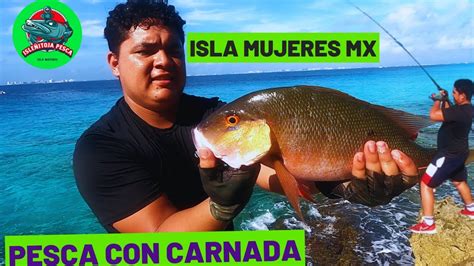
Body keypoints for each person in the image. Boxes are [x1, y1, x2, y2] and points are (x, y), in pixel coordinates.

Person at [73, 0, 420, 233]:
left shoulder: (212, 115)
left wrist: (347, 187)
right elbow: (159, 236)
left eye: (173, 50)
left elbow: (274, 169)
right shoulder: (100, 149)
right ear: (114, 63)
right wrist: (221, 208)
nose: (163, 61)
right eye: (145, 51)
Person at [410, 79, 474, 234]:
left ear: (462, 95)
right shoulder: (467, 109)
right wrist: (445, 99)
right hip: (460, 153)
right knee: (459, 181)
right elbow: (449, 114)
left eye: (454, 93)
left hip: (447, 155)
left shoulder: (458, 111)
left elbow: (434, 116)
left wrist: (437, 101)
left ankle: (428, 223)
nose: (453, 95)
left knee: (426, 183)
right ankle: (471, 209)